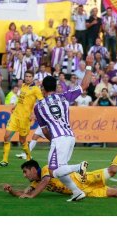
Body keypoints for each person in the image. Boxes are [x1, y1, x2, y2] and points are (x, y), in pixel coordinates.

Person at [4, 133, 117, 200]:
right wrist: (12, 190)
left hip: (84, 179)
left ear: (33, 169)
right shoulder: (35, 183)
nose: (25, 175)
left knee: (113, 170)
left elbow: (44, 183)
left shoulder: (47, 169)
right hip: (86, 191)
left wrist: (32, 196)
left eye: (26, 172)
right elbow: (23, 193)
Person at [31, 55, 94, 201]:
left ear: (43, 89)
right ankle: (77, 192)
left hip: (58, 139)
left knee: (53, 171)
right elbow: (84, 86)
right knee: (61, 168)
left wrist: (53, 141)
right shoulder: (64, 97)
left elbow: (45, 130)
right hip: (70, 136)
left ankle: (79, 167)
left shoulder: (39, 107)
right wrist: (89, 66)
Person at [0, 70, 43, 168]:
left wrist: (34, 113)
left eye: (30, 76)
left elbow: (41, 102)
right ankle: (4, 160)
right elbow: (22, 99)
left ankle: (29, 157)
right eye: (26, 76)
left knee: (22, 141)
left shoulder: (36, 89)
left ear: (33, 77)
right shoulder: (23, 86)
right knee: (6, 136)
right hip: (15, 116)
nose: (28, 78)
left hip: (25, 119)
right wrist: (16, 105)